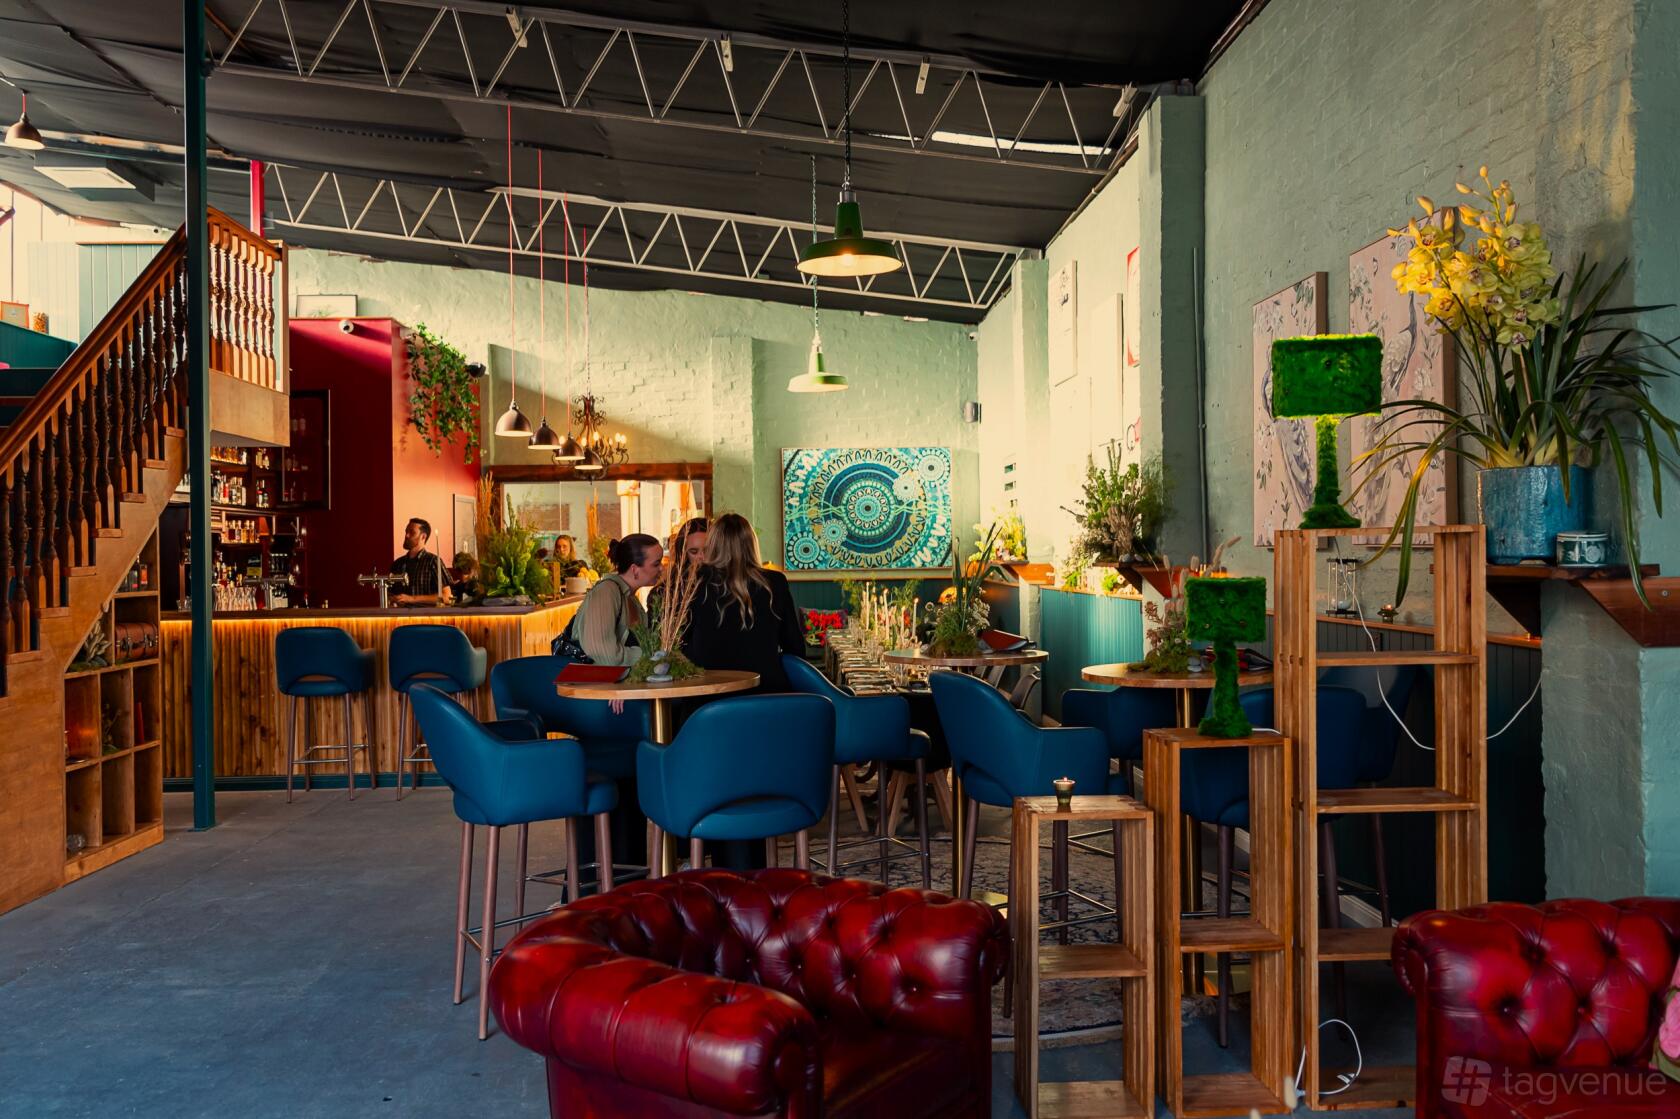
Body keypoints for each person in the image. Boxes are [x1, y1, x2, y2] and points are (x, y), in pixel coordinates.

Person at [681, 513, 804, 692]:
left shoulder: (694, 581)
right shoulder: (775, 582)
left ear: (712, 545)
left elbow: (680, 644)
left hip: (708, 698)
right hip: (767, 694)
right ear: (751, 544)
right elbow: (796, 647)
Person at [572, 533, 663, 667]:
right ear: (634, 569)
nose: (662, 568)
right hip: (594, 685)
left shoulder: (630, 597)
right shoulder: (606, 592)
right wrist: (649, 655)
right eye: (656, 564)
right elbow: (604, 654)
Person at [390, 517, 451, 606]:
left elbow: (447, 597)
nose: (407, 535)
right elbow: (391, 595)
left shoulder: (433, 561)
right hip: (400, 618)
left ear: (423, 537)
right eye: (406, 531)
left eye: (412, 532)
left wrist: (411, 599)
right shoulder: (398, 564)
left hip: (426, 617)